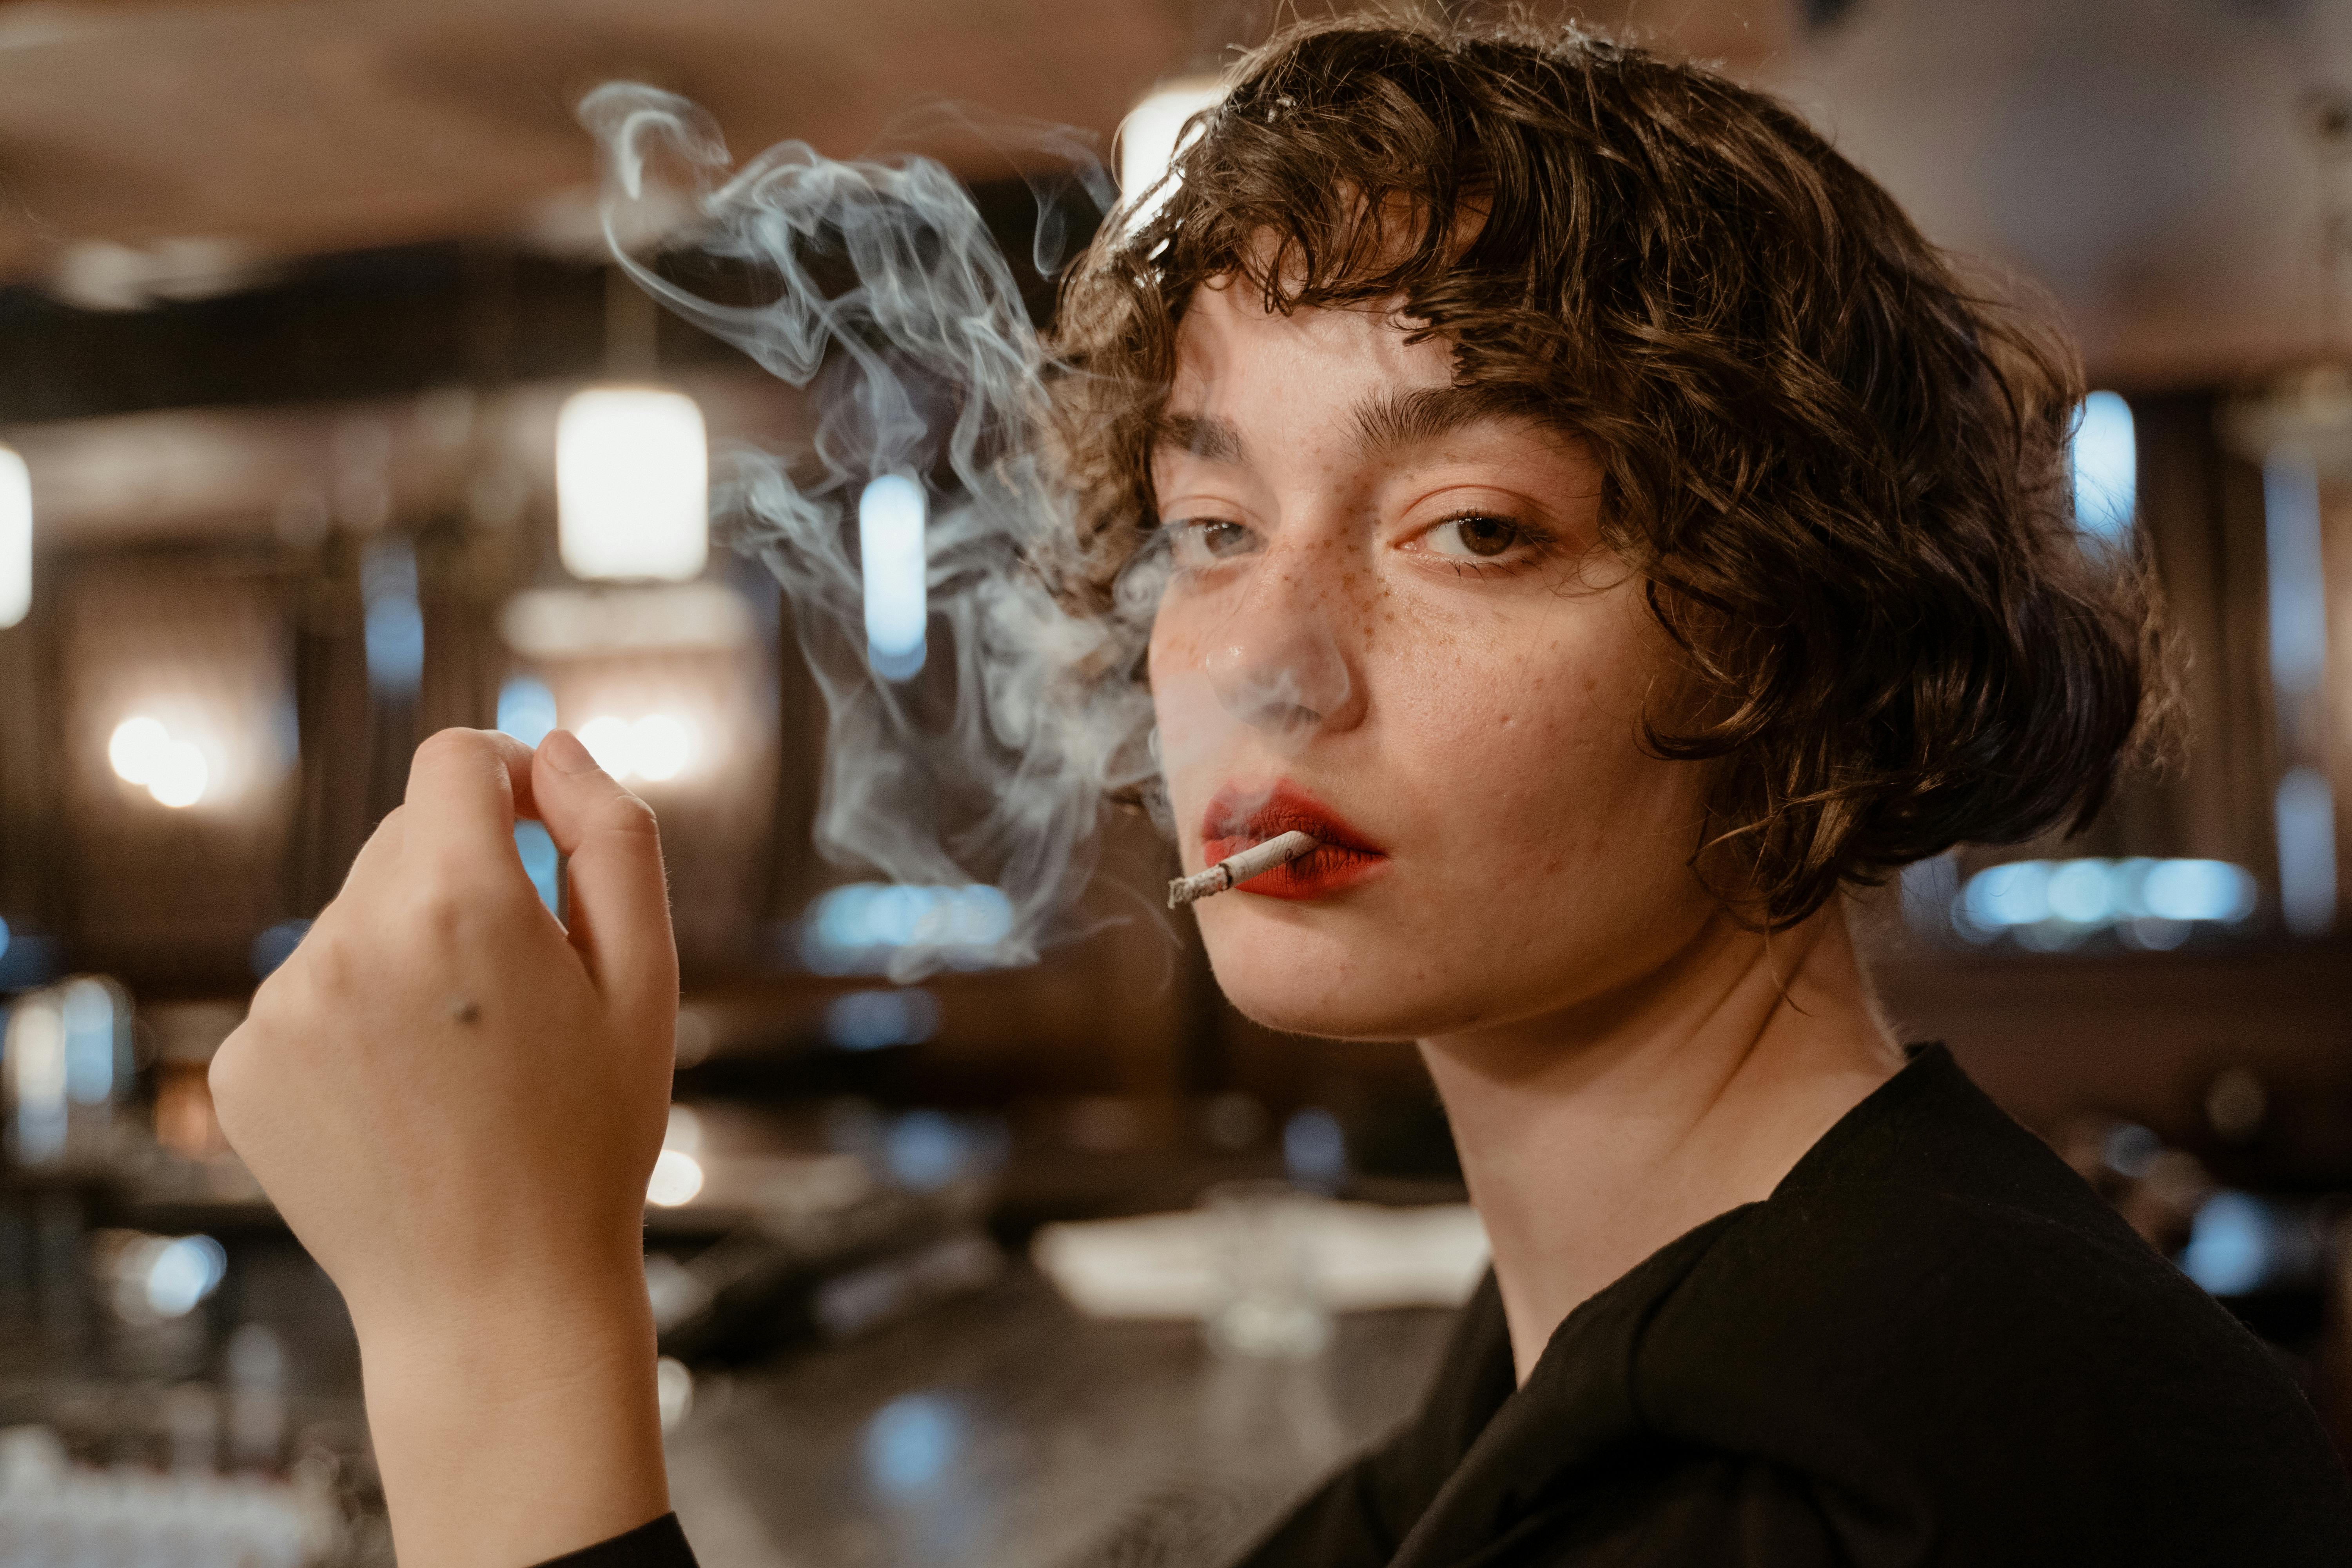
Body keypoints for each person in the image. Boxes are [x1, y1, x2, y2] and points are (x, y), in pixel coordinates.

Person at [208, 17, 2352, 1568]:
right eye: (1212, 530)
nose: (1260, 658)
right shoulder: (1610, 1348)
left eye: (1473, 530)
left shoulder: (1832, 1471)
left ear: (1810, 647)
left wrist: (498, 1328)